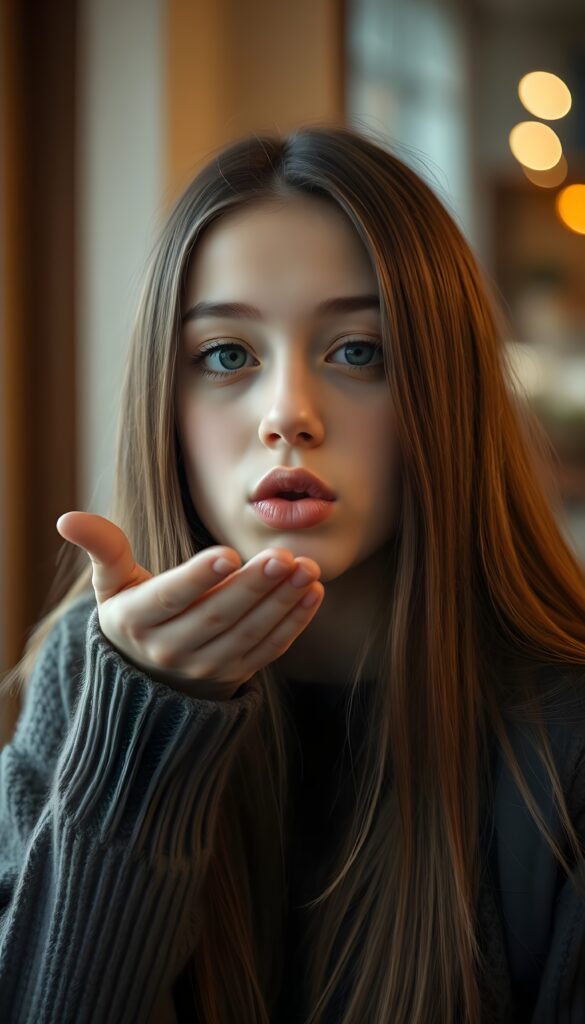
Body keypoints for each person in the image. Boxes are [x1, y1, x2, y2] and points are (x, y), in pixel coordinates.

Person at [0, 124, 584, 1024]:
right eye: (226, 355)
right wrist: (146, 723)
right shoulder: (87, 675)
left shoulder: (564, 732)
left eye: (358, 351)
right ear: (165, 401)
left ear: (447, 389)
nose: (287, 416)